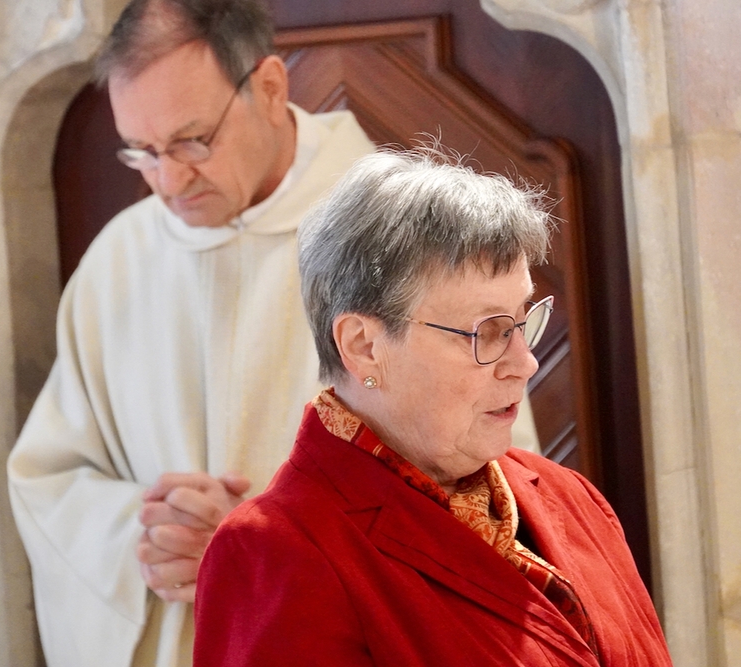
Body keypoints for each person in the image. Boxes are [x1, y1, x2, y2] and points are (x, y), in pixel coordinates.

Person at [193, 148, 673, 666]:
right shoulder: (277, 551)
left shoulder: (571, 497)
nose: (526, 362)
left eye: (521, 321)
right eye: (487, 331)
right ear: (363, 346)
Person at [5, 1, 379, 666]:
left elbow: (482, 489)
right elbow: (51, 479)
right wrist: (148, 535)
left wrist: (262, 546)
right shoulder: (117, 262)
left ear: (270, 87)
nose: (169, 180)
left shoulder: (399, 242)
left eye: (193, 140)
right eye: (143, 152)